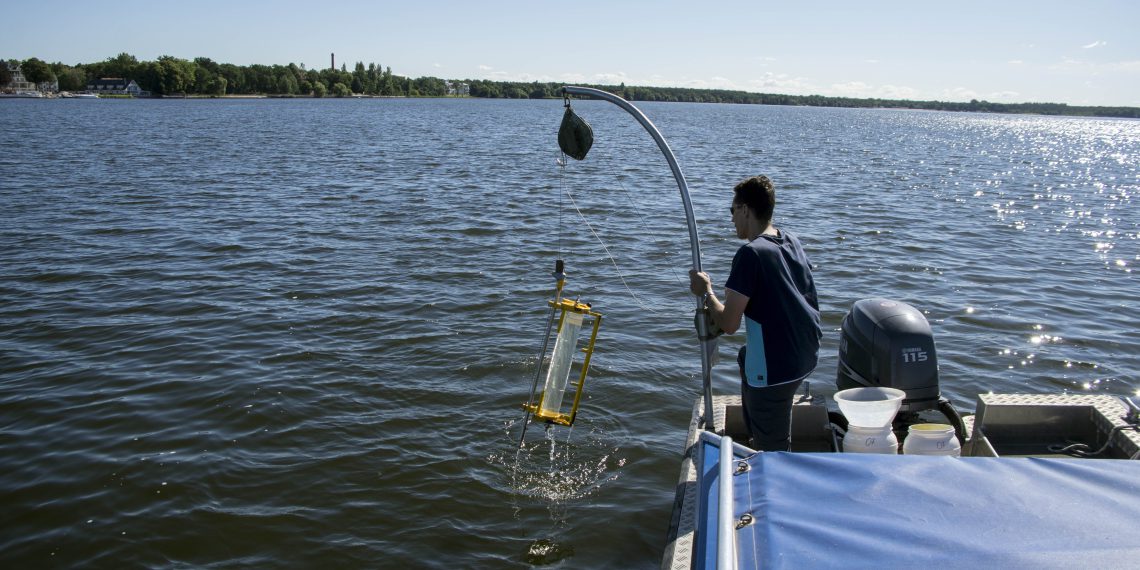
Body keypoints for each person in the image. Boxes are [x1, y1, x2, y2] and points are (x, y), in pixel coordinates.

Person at [689, 175, 822, 451]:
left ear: (746, 210)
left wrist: (706, 291)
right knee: (744, 356)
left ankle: (767, 450)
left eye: (732, 210)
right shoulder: (790, 241)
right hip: (807, 353)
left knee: (774, 451)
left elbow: (728, 323)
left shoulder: (750, 254)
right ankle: (758, 431)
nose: (731, 218)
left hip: (778, 369)